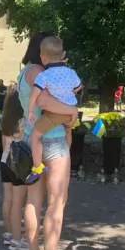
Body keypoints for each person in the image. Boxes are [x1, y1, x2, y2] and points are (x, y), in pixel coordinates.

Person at [18, 32, 79, 250]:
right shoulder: (38, 73)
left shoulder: (25, 72)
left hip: (31, 140)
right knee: (56, 202)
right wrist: (73, 110)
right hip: (52, 141)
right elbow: (48, 103)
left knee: (33, 200)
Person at [25, 36, 81, 184]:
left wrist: (30, 111)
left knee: (35, 135)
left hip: (54, 115)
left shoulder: (44, 75)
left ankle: (37, 167)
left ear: (43, 58)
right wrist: (68, 92)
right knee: (67, 131)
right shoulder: (71, 72)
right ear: (63, 55)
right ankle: (65, 159)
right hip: (69, 114)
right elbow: (78, 86)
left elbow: (35, 95)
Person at [0, 84, 28, 250]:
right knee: (18, 202)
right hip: (19, 163)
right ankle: (17, 240)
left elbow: (4, 146)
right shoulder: (24, 122)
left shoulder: (5, 120)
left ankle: (9, 233)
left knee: (8, 199)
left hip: (5, 161)